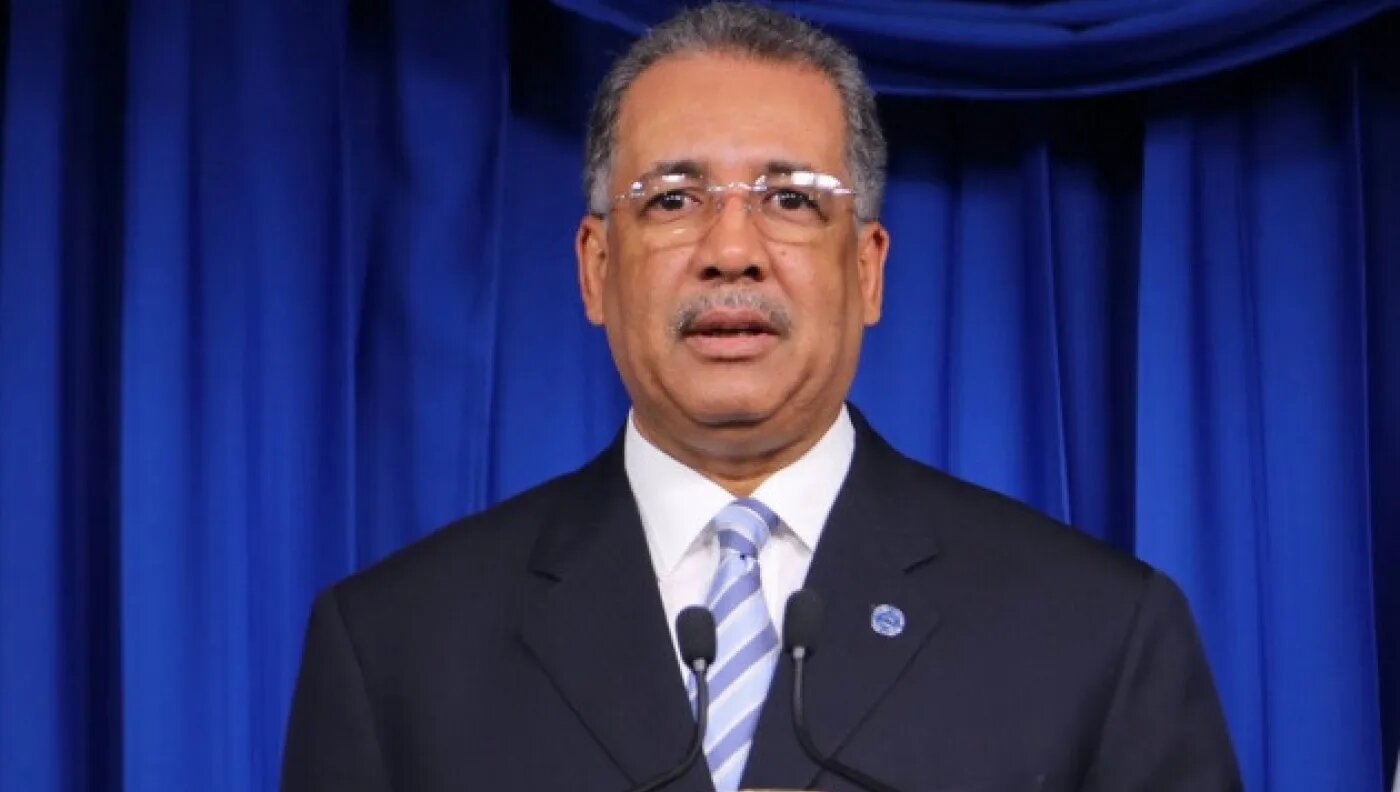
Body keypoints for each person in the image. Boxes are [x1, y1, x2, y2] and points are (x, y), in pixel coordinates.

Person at [282, 3, 1242, 790]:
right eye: (672, 198)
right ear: (595, 268)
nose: (732, 250)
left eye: (791, 199)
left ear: (867, 270)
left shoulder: (1096, 635)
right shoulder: (395, 650)